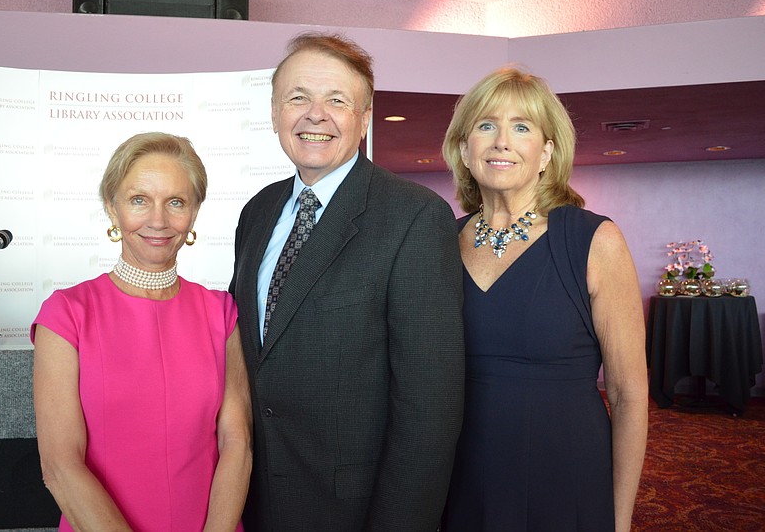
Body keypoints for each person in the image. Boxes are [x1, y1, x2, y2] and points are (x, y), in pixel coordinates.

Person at [228, 32, 465, 531]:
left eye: (337, 100)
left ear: (364, 117)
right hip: (254, 498)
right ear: (274, 113)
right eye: (298, 98)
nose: (316, 115)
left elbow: (430, 409)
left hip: (353, 509)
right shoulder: (257, 211)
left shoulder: (415, 217)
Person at [441, 68, 648, 532]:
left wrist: (619, 520)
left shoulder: (594, 240)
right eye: (486, 125)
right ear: (463, 148)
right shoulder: (440, 244)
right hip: (463, 476)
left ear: (546, 152)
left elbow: (629, 394)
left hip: (566, 474)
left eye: (521, 127)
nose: (501, 142)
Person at [31, 132, 252, 532]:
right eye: (139, 200)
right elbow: (60, 466)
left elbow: (237, 444)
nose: (158, 220)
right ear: (111, 208)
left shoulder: (221, 312)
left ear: (194, 213)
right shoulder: (66, 314)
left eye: (176, 202)